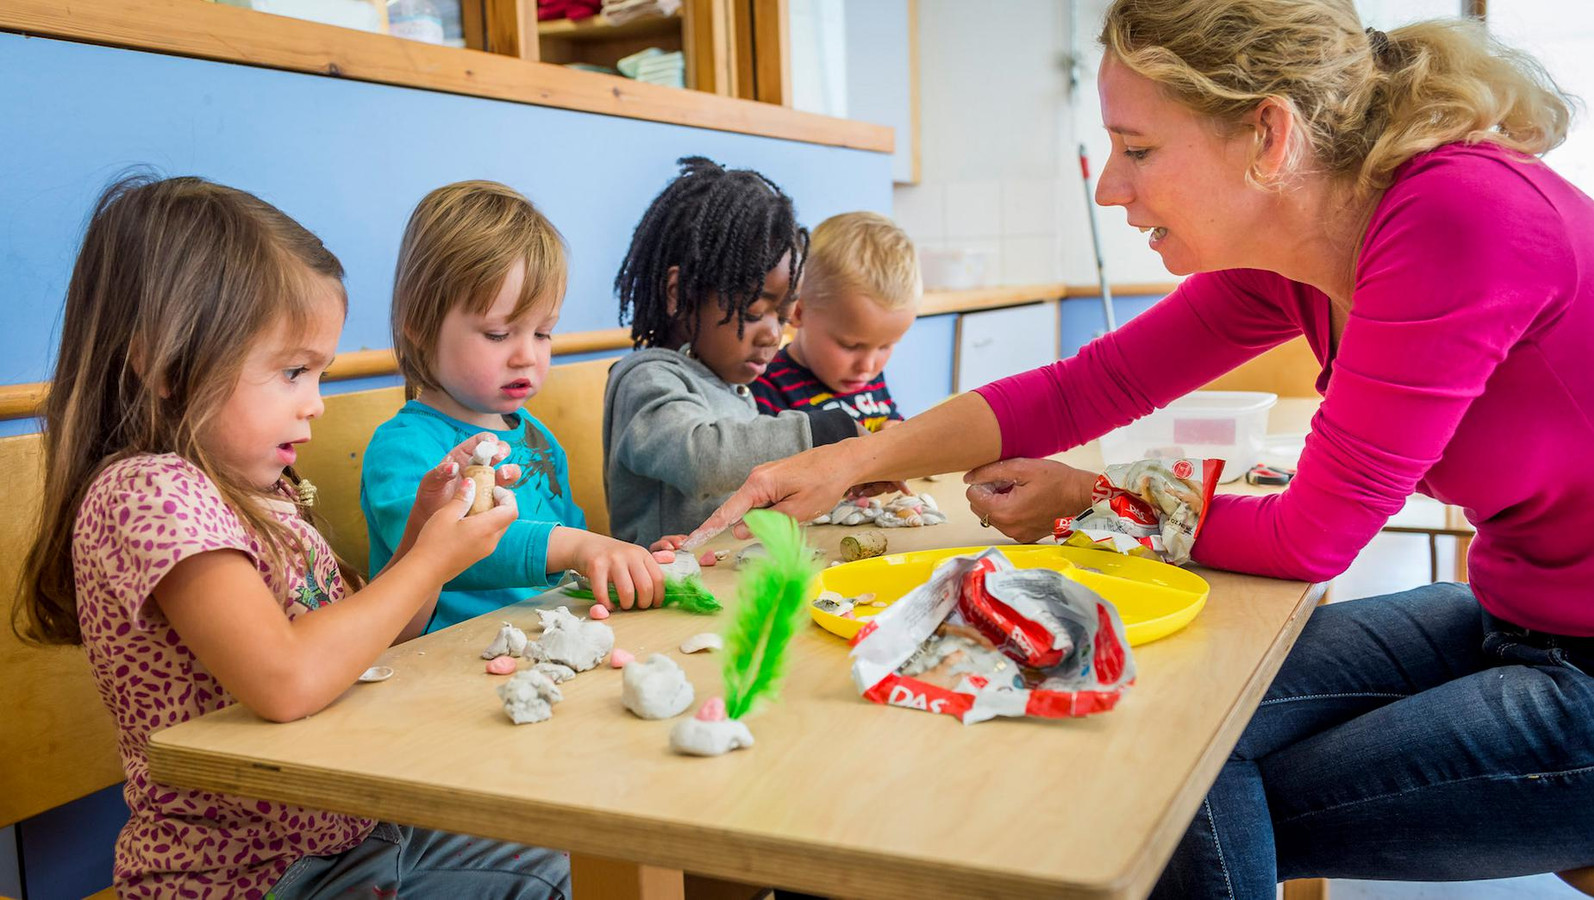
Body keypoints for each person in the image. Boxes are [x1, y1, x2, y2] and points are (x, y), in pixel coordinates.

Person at [691, 2, 1594, 894]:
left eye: (1139, 148)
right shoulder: (1303, 247)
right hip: (1511, 617)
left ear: (1266, 137)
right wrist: (852, 459)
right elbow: (1084, 388)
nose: (1109, 186)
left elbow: (1310, 540)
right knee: (1151, 722)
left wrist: (1090, 501)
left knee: (1161, 800)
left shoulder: (1453, 217)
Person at [16, 175, 570, 899]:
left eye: (320, 373)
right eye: (292, 371)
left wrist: (418, 547)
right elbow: (286, 680)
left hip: (346, 839)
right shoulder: (149, 494)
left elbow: (367, 643)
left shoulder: (259, 492)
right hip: (245, 880)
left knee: (547, 855)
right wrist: (430, 560)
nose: (315, 404)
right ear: (164, 364)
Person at [363, 181, 662, 629]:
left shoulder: (540, 438)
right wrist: (576, 547)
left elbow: (575, 547)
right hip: (444, 664)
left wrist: (628, 563)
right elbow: (446, 552)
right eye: (499, 334)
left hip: (551, 640)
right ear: (421, 329)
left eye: (543, 333)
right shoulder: (403, 448)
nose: (527, 355)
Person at [603, 157, 860, 547]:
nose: (773, 335)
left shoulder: (727, 384)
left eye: (784, 315)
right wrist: (824, 431)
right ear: (679, 294)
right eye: (754, 312)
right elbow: (701, 458)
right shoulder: (647, 379)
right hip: (664, 593)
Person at [750, 211, 920, 432]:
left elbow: (890, 417)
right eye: (851, 346)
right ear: (798, 312)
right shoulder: (767, 387)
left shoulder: (869, 377)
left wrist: (894, 429)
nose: (867, 367)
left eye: (885, 346)